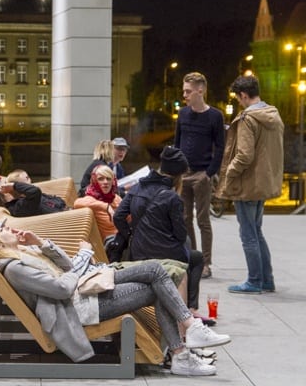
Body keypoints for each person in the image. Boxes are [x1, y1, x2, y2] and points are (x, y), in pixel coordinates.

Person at [0, 224, 231, 375]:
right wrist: (78, 268)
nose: (9, 227)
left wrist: (41, 243)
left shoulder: (24, 252)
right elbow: (62, 289)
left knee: (157, 274)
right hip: (80, 308)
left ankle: (184, 345)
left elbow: (65, 266)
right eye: (2, 229)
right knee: (156, 280)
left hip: (86, 293)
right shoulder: (15, 268)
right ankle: (186, 342)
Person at [114, 146, 207, 321]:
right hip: (166, 255)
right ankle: (190, 309)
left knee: (188, 247)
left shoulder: (137, 188)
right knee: (196, 258)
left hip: (138, 252)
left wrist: (131, 235)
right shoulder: (172, 198)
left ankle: (187, 310)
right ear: (178, 176)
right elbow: (179, 234)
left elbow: (118, 216)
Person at [217, 75, 284, 294]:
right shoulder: (273, 115)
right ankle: (267, 280)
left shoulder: (248, 119)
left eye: (238, 98)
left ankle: (254, 281)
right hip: (263, 182)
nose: (238, 102)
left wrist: (229, 174)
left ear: (244, 95)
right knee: (257, 231)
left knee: (248, 234)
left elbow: (244, 155)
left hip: (247, 184)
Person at [174, 72, 225, 279]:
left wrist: (209, 173)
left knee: (203, 220)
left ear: (200, 90)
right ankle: (192, 259)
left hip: (203, 174)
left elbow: (220, 147)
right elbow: (177, 143)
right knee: (185, 219)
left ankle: (206, 263)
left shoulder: (215, 116)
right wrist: (176, 171)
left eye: (188, 91)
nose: (184, 94)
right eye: (184, 90)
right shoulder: (183, 114)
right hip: (184, 174)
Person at [0, 169, 67, 217]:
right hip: (64, 218)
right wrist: (14, 185)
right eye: (2, 188)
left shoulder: (23, 200)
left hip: (65, 212)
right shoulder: (17, 207)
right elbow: (35, 192)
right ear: (3, 196)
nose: (5, 186)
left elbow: (58, 200)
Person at [74, 165, 122, 242]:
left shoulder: (116, 198)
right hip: (106, 246)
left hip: (122, 240)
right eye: (101, 179)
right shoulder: (91, 198)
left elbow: (129, 218)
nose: (105, 182)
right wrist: (106, 206)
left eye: (108, 179)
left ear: (113, 181)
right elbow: (77, 203)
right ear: (95, 181)